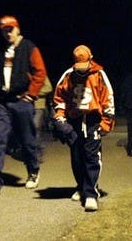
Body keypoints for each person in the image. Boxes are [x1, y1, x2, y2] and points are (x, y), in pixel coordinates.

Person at [0, 15, 47, 199]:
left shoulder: (29, 47)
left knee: (27, 140)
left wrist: (31, 94)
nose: (8, 33)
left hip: (21, 102)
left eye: (11, 29)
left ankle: (33, 170)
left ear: (17, 29)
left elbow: (40, 72)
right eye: (4, 30)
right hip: (2, 102)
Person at [53, 45, 115, 212]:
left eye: (84, 66)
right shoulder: (68, 75)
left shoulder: (99, 74)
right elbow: (59, 98)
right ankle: (81, 187)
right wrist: (60, 118)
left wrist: (106, 122)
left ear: (90, 59)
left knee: (92, 156)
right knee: (77, 157)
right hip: (74, 121)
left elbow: (108, 98)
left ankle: (91, 194)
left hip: (93, 120)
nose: (81, 70)